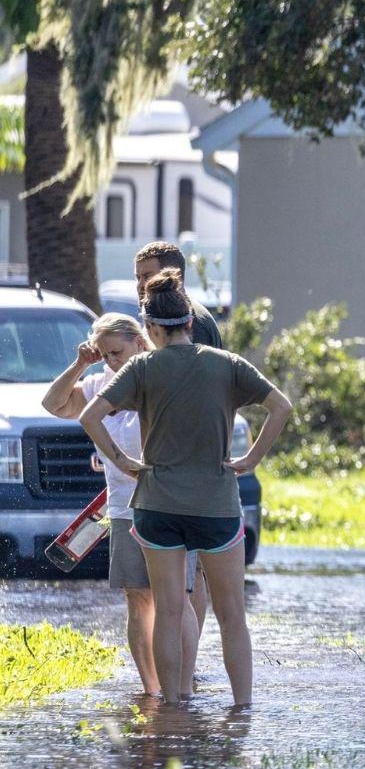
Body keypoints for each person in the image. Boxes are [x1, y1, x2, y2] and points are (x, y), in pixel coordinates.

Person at [80, 271, 292, 706]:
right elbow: (281, 407)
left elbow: (90, 416)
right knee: (233, 616)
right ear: (190, 323)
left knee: (170, 612)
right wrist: (251, 459)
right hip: (216, 506)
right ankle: (242, 709)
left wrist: (123, 463)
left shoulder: (141, 367)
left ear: (152, 329)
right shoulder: (227, 364)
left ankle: (173, 706)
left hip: (156, 504)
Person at [41, 314, 201, 697]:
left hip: (169, 505)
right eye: (106, 354)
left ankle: (182, 686)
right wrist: (81, 363)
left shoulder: (158, 378)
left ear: (141, 342)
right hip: (123, 508)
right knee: (137, 598)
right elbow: (53, 404)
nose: (113, 361)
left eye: (118, 352)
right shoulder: (98, 385)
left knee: (174, 599)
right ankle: (151, 690)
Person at [133, 241, 221, 637]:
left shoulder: (190, 322)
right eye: (137, 278)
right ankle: (185, 656)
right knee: (186, 571)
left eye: (147, 277)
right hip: (178, 459)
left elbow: (195, 390)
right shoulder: (164, 317)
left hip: (189, 459)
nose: (140, 286)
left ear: (174, 277)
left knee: (190, 574)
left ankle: (188, 656)